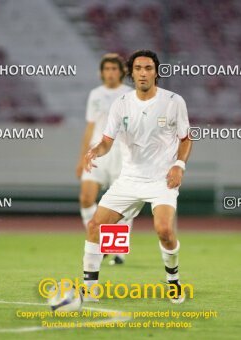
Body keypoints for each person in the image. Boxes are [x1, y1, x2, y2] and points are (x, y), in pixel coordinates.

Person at [82, 50, 193, 303]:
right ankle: (90, 288)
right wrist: (94, 152)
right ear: (131, 73)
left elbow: (186, 139)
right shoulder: (121, 103)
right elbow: (107, 141)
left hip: (161, 180)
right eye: (139, 68)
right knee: (95, 226)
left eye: (149, 68)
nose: (143, 73)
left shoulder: (174, 101)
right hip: (129, 180)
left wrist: (179, 165)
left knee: (164, 230)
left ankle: (173, 281)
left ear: (156, 72)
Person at [76, 53, 133, 265]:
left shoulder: (130, 94)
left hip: (121, 152)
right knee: (85, 198)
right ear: (102, 72)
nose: (110, 73)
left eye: (114, 69)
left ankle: (117, 252)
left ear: (121, 71)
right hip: (97, 151)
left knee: (122, 204)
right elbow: (90, 126)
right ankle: (98, 237)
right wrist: (82, 157)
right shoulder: (95, 94)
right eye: (107, 69)